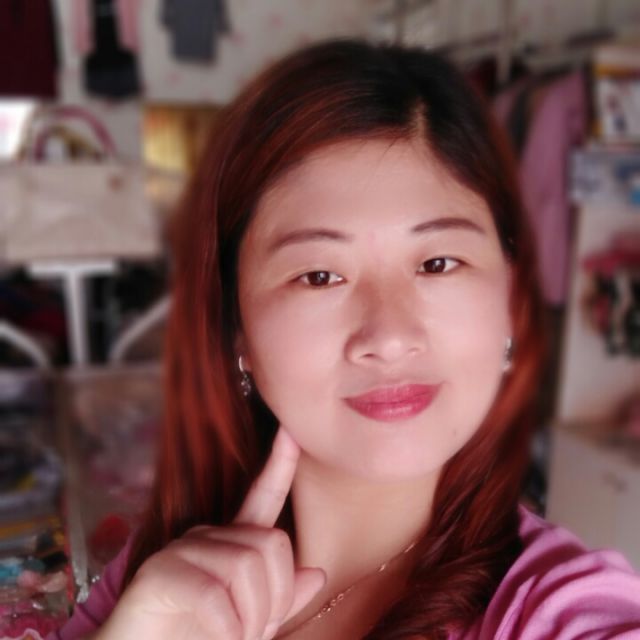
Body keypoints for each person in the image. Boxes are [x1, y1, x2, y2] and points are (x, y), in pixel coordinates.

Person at [48, 39, 640, 640]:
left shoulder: (554, 609)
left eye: (437, 263)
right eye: (319, 276)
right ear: (238, 332)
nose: (390, 337)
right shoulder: (169, 574)